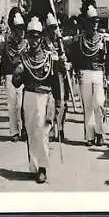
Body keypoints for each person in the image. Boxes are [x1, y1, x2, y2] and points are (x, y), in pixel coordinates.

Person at [12, 16, 62, 184]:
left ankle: (42, 168)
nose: (33, 40)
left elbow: (56, 82)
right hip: (29, 97)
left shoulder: (50, 57)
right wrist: (17, 74)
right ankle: (33, 166)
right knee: (31, 132)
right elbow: (17, 83)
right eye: (30, 36)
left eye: (36, 36)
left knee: (42, 133)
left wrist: (59, 102)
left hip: (45, 98)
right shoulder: (23, 58)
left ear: (41, 38)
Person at [69, 0, 109, 146]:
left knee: (99, 105)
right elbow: (74, 58)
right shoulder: (78, 40)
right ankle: (89, 135)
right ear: (85, 23)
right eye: (91, 22)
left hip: (98, 74)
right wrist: (74, 71)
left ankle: (99, 132)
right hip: (84, 74)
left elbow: (108, 60)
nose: (94, 25)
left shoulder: (103, 40)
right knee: (87, 106)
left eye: (96, 22)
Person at [0, 7, 28, 142]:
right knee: (12, 105)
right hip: (10, 74)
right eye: (18, 29)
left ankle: (24, 130)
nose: (21, 31)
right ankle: (14, 132)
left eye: (22, 28)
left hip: (23, 77)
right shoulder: (7, 41)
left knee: (23, 105)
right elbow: (4, 59)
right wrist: (1, 74)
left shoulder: (27, 43)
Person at [44, 12, 68, 142]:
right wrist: (57, 58)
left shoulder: (61, 42)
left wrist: (66, 60)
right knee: (50, 103)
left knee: (62, 103)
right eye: (51, 28)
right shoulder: (43, 42)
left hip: (60, 75)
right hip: (48, 76)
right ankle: (51, 129)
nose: (54, 30)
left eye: (55, 27)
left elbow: (67, 57)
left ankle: (60, 128)